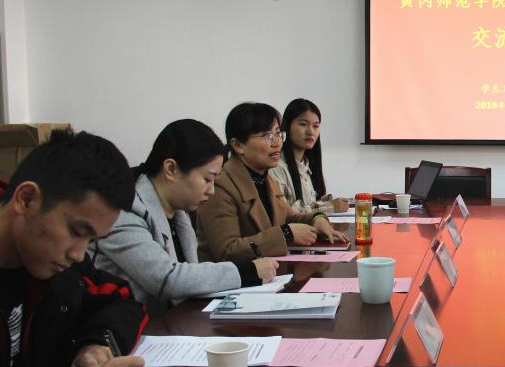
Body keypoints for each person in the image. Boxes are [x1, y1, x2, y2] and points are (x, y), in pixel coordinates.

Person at [0, 130, 147, 367]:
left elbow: (121, 300)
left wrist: (96, 344)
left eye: (91, 241)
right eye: (76, 232)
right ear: (27, 199)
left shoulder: (57, 268)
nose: (78, 254)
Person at [92, 119, 280, 313]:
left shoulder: (179, 212)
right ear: (171, 169)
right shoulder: (124, 211)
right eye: (207, 179)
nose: (212, 191)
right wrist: (246, 271)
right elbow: (166, 279)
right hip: (130, 326)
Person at [197, 102, 348, 262]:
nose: (277, 143)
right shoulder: (220, 185)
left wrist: (317, 219)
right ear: (238, 145)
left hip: (269, 271)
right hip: (236, 276)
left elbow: (290, 217)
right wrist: (285, 234)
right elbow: (227, 250)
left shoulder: (265, 178)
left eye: (278, 134)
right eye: (268, 136)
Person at [270, 98, 329, 212]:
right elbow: (286, 214)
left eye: (316, 126)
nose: (310, 132)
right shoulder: (276, 166)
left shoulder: (308, 166)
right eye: (303, 124)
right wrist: (329, 207)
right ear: (287, 127)